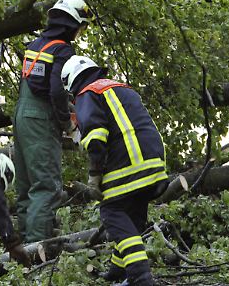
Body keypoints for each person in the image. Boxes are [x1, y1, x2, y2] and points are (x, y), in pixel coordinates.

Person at [61, 55, 169, 286]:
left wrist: (94, 174)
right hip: (154, 161)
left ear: (71, 82)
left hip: (129, 164)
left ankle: (141, 278)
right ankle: (118, 271)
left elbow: (96, 136)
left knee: (111, 212)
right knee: (131, 217)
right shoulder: (121, 88)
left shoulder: (86, 93)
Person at [13, 0, 91, 242]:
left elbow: (39, 84)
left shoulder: (35, 45)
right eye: (80, 27)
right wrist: (67, 122)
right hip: (40, 118)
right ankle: (37, 249)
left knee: (26, 185)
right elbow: (57, 90)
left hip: (21, 115)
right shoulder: (63, 49)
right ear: (72, 23)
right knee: (46, 186)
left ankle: (24, 242)